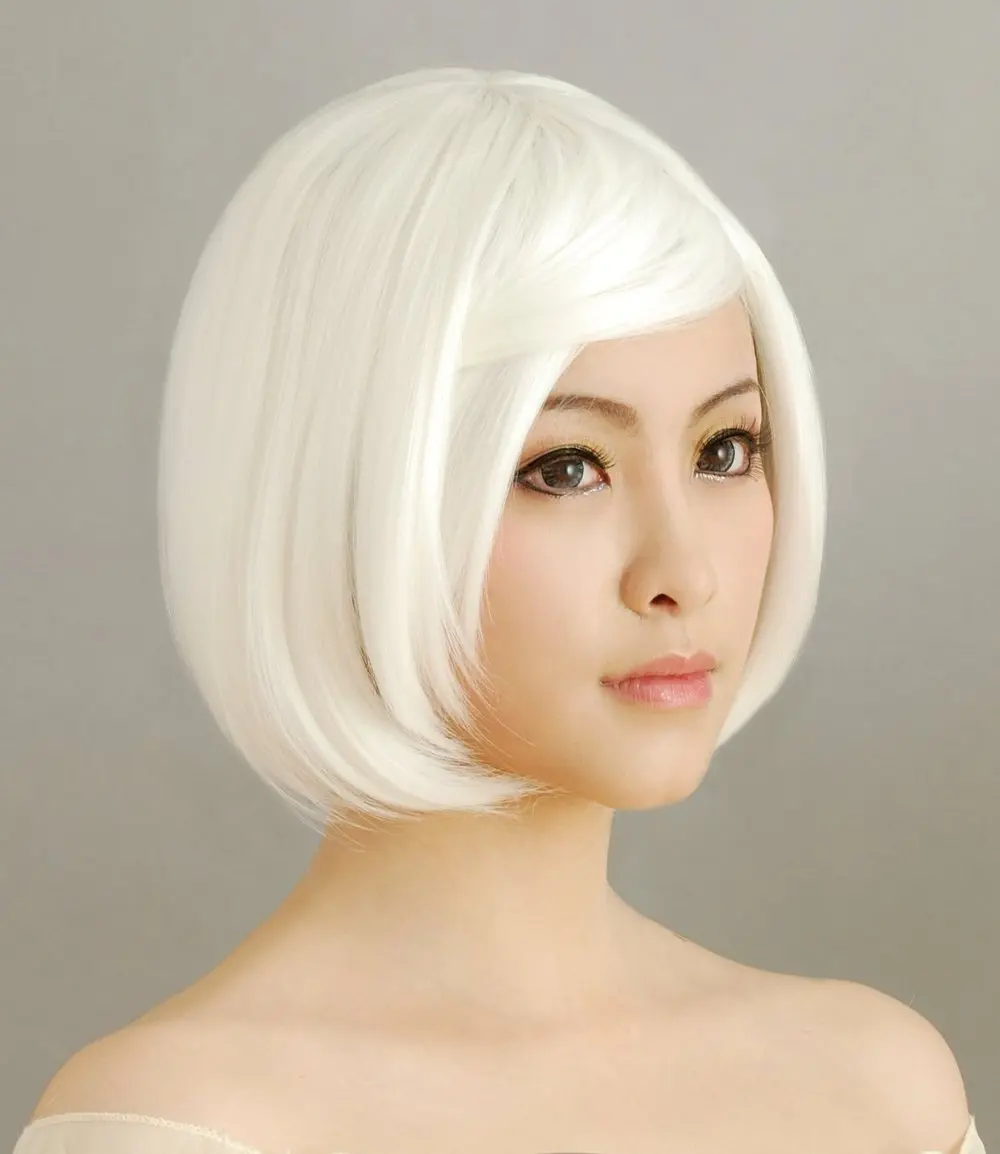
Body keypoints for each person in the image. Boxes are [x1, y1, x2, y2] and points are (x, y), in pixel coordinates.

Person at [15, 68, 982, 1153]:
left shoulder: (879, 1087)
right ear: (347, 502)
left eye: (723, 450)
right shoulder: (179, 1125)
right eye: (566, 468)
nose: (683, 574)